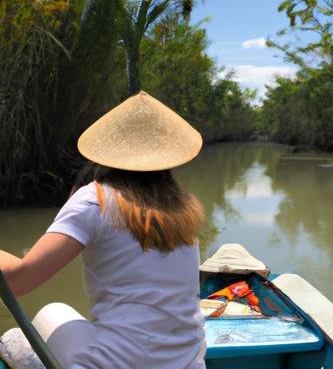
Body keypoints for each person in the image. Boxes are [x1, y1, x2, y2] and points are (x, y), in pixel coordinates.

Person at [0, 91, 206, 368]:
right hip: (187, 362)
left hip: (120, 363)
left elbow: (18, 281)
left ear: (109, 149)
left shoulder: (94, 199)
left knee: (48, 314)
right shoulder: (183, 207)